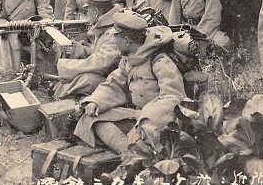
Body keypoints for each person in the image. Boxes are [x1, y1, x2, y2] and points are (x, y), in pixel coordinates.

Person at [73, 12, 185, 174]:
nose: (114, 41)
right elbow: (114, 83)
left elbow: (173, 97)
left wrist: (146, 118)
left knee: (141, 133)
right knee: (90, 117)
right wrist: (95, 101)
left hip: (157, 121)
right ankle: (131, 155)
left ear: (126, 40)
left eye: (116, 37)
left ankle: (129, 164)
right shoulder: (129, 59)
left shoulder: (160, 61)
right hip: (137, 115)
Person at [53, 0, 122, 99]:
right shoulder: (106, 25)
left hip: (116, 82)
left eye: (87, 11)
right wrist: (81, 49)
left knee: (86, 79)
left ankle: (58, 95)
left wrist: (66, 66)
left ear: (95, 12)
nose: (87, 15)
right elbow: (100, 52)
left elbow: (102, 63)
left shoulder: (114, 32)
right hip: (109, 75)